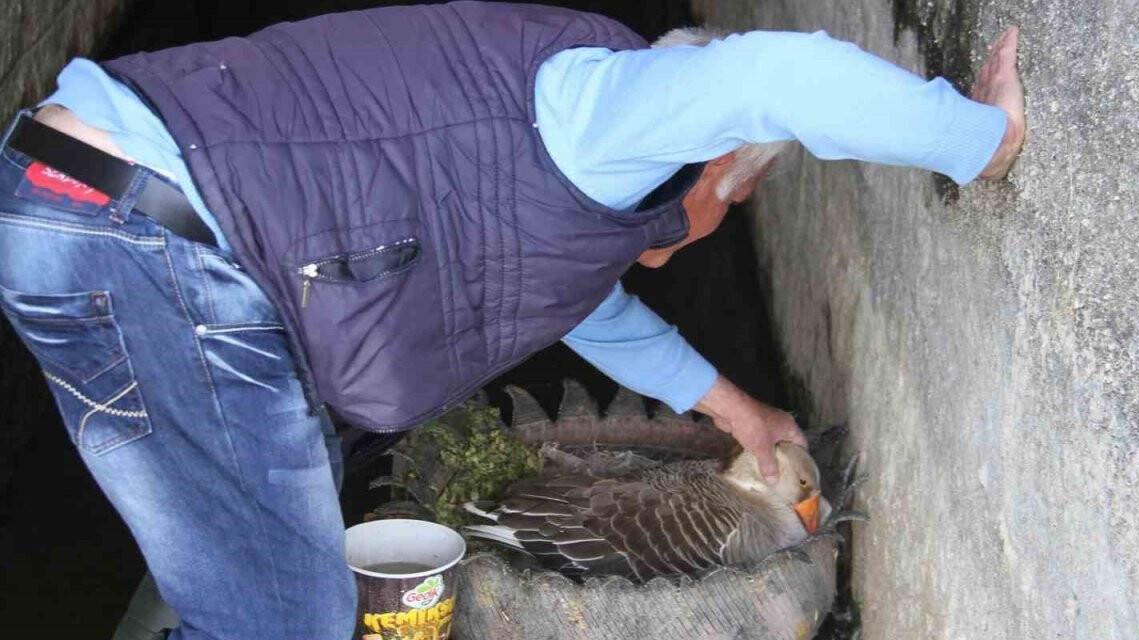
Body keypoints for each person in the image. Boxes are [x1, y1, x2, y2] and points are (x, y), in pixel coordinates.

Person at [0, 2, 1024, 638]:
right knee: (285, 620)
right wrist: (977, 142)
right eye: (727, 201)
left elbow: (590, 310)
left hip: (92, 213)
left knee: (255, 543)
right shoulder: (597, 113)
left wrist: (742, 414)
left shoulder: (571, 193)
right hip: (149, 232)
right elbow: (775, 76)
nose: (708, 226)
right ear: (718, 164)